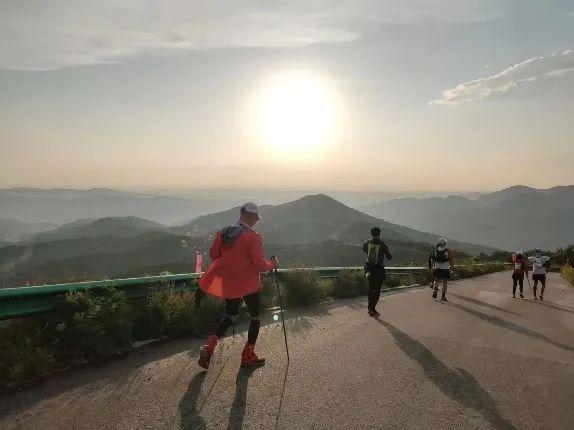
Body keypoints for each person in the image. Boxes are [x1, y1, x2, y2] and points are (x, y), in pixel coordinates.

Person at [197, 202, 277, 369]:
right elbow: (260, 265)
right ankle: (248, 355)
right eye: (256, 217)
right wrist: (273, 264)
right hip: (248, 283)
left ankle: (209, 347)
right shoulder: (252, 237)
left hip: (229, 282)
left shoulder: (224, 233)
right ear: (249, 215)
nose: (256, 220)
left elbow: (213, 255)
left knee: (231, 316)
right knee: (255, 317)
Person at [362, 227, 392, 317]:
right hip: (378, 269)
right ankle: (372, 308)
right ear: (379, 234)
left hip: (368, 269)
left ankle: (369, 307)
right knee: (377, 289)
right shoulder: (383, 244)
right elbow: (389, 257)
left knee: (371, 288)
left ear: (371, 234)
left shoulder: (366, 243)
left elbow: (364, 250)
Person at [429, 238, 454, 302]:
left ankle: (435, 290)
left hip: (437, 268)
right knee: (445, 283)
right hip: (445, 269)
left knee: (437, 280)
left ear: (439, 243)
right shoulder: (448, 251)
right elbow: (451, 260)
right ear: (445, 244)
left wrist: (432, 267)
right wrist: (451, 268)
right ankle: (443, 296)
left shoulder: (435, 251)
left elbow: (433, 260)